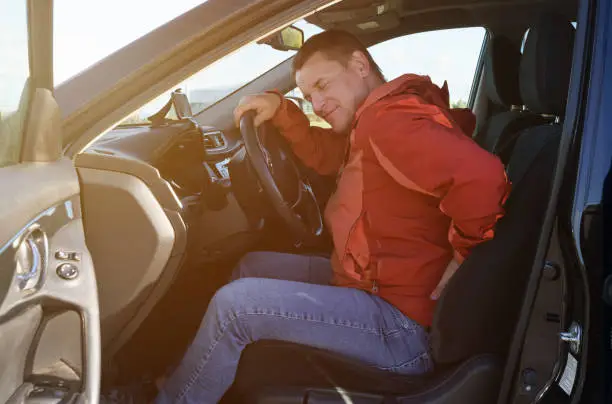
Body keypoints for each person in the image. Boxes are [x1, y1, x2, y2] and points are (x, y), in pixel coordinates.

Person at [122, 29, 510, 404]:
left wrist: (466, 252)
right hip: (372, 284)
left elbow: (483, 178)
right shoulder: (372, 120)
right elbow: (329, 156)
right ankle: (184, 376)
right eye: (308, 95)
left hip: (401, 326)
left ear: (359, 64)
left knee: (237, 306)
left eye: (322, 86)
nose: (318, 103)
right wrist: (283, 111)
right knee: (251, 265)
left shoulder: (389, 121)